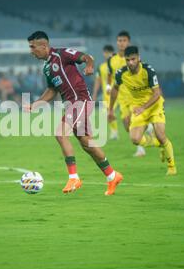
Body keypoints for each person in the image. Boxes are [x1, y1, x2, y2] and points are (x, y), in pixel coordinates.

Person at [26, 31, 123, 196]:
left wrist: (90, 65)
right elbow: (52, 90)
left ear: (44, 45)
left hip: (81, 100)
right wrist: (35, 104)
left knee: (60, 133)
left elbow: (87, 57)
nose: (31, 51)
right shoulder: (47, 68)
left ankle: (74, 177)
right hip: (71, 104)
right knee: (87, 144)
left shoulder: (62, 54)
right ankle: (112, 176)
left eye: (33, 47)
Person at [109, 46, 177, 176]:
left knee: (161, 135)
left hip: (154, 106)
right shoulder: (121, 74)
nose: (130, 63)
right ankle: (158, 144)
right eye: (128, 60)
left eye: (133, 59)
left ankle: (171, 166)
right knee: (135, 139)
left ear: (139, 58)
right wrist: (111, 109)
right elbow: (115, 89)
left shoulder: (148, 70)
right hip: (139, 108)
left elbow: (157, 93)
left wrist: (144, 107)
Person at [107, 31, 147, 157]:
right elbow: (110, 74)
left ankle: (141, 149)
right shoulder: (111, 60)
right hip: (121, 97)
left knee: (134, 122)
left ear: (128, 42)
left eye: (124, 40)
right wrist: (109, 85)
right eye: (119, 40)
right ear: (116, 42)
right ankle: (147, 131)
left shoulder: (134, 59)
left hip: (135, 96)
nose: (121, 43)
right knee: (126, 125)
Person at [92, 45, 119, 140]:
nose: (106, 54)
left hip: (118, 93)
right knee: (107, 113)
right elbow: (98, 81)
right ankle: (114, 132)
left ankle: (115, 132)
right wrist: (94, 94)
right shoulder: (101, 67)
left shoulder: (117, 64)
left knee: (108, 112)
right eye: (105, 52)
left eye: (109, 52)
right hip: (106, 95)